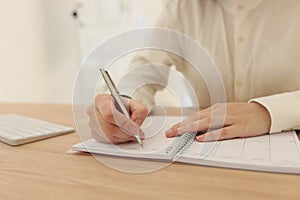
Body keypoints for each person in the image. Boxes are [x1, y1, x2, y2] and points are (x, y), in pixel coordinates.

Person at [87, 0, 300, 144]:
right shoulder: (183, 7)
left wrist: (267, 112)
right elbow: (145, 68)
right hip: (204, 160)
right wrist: (122, 102)